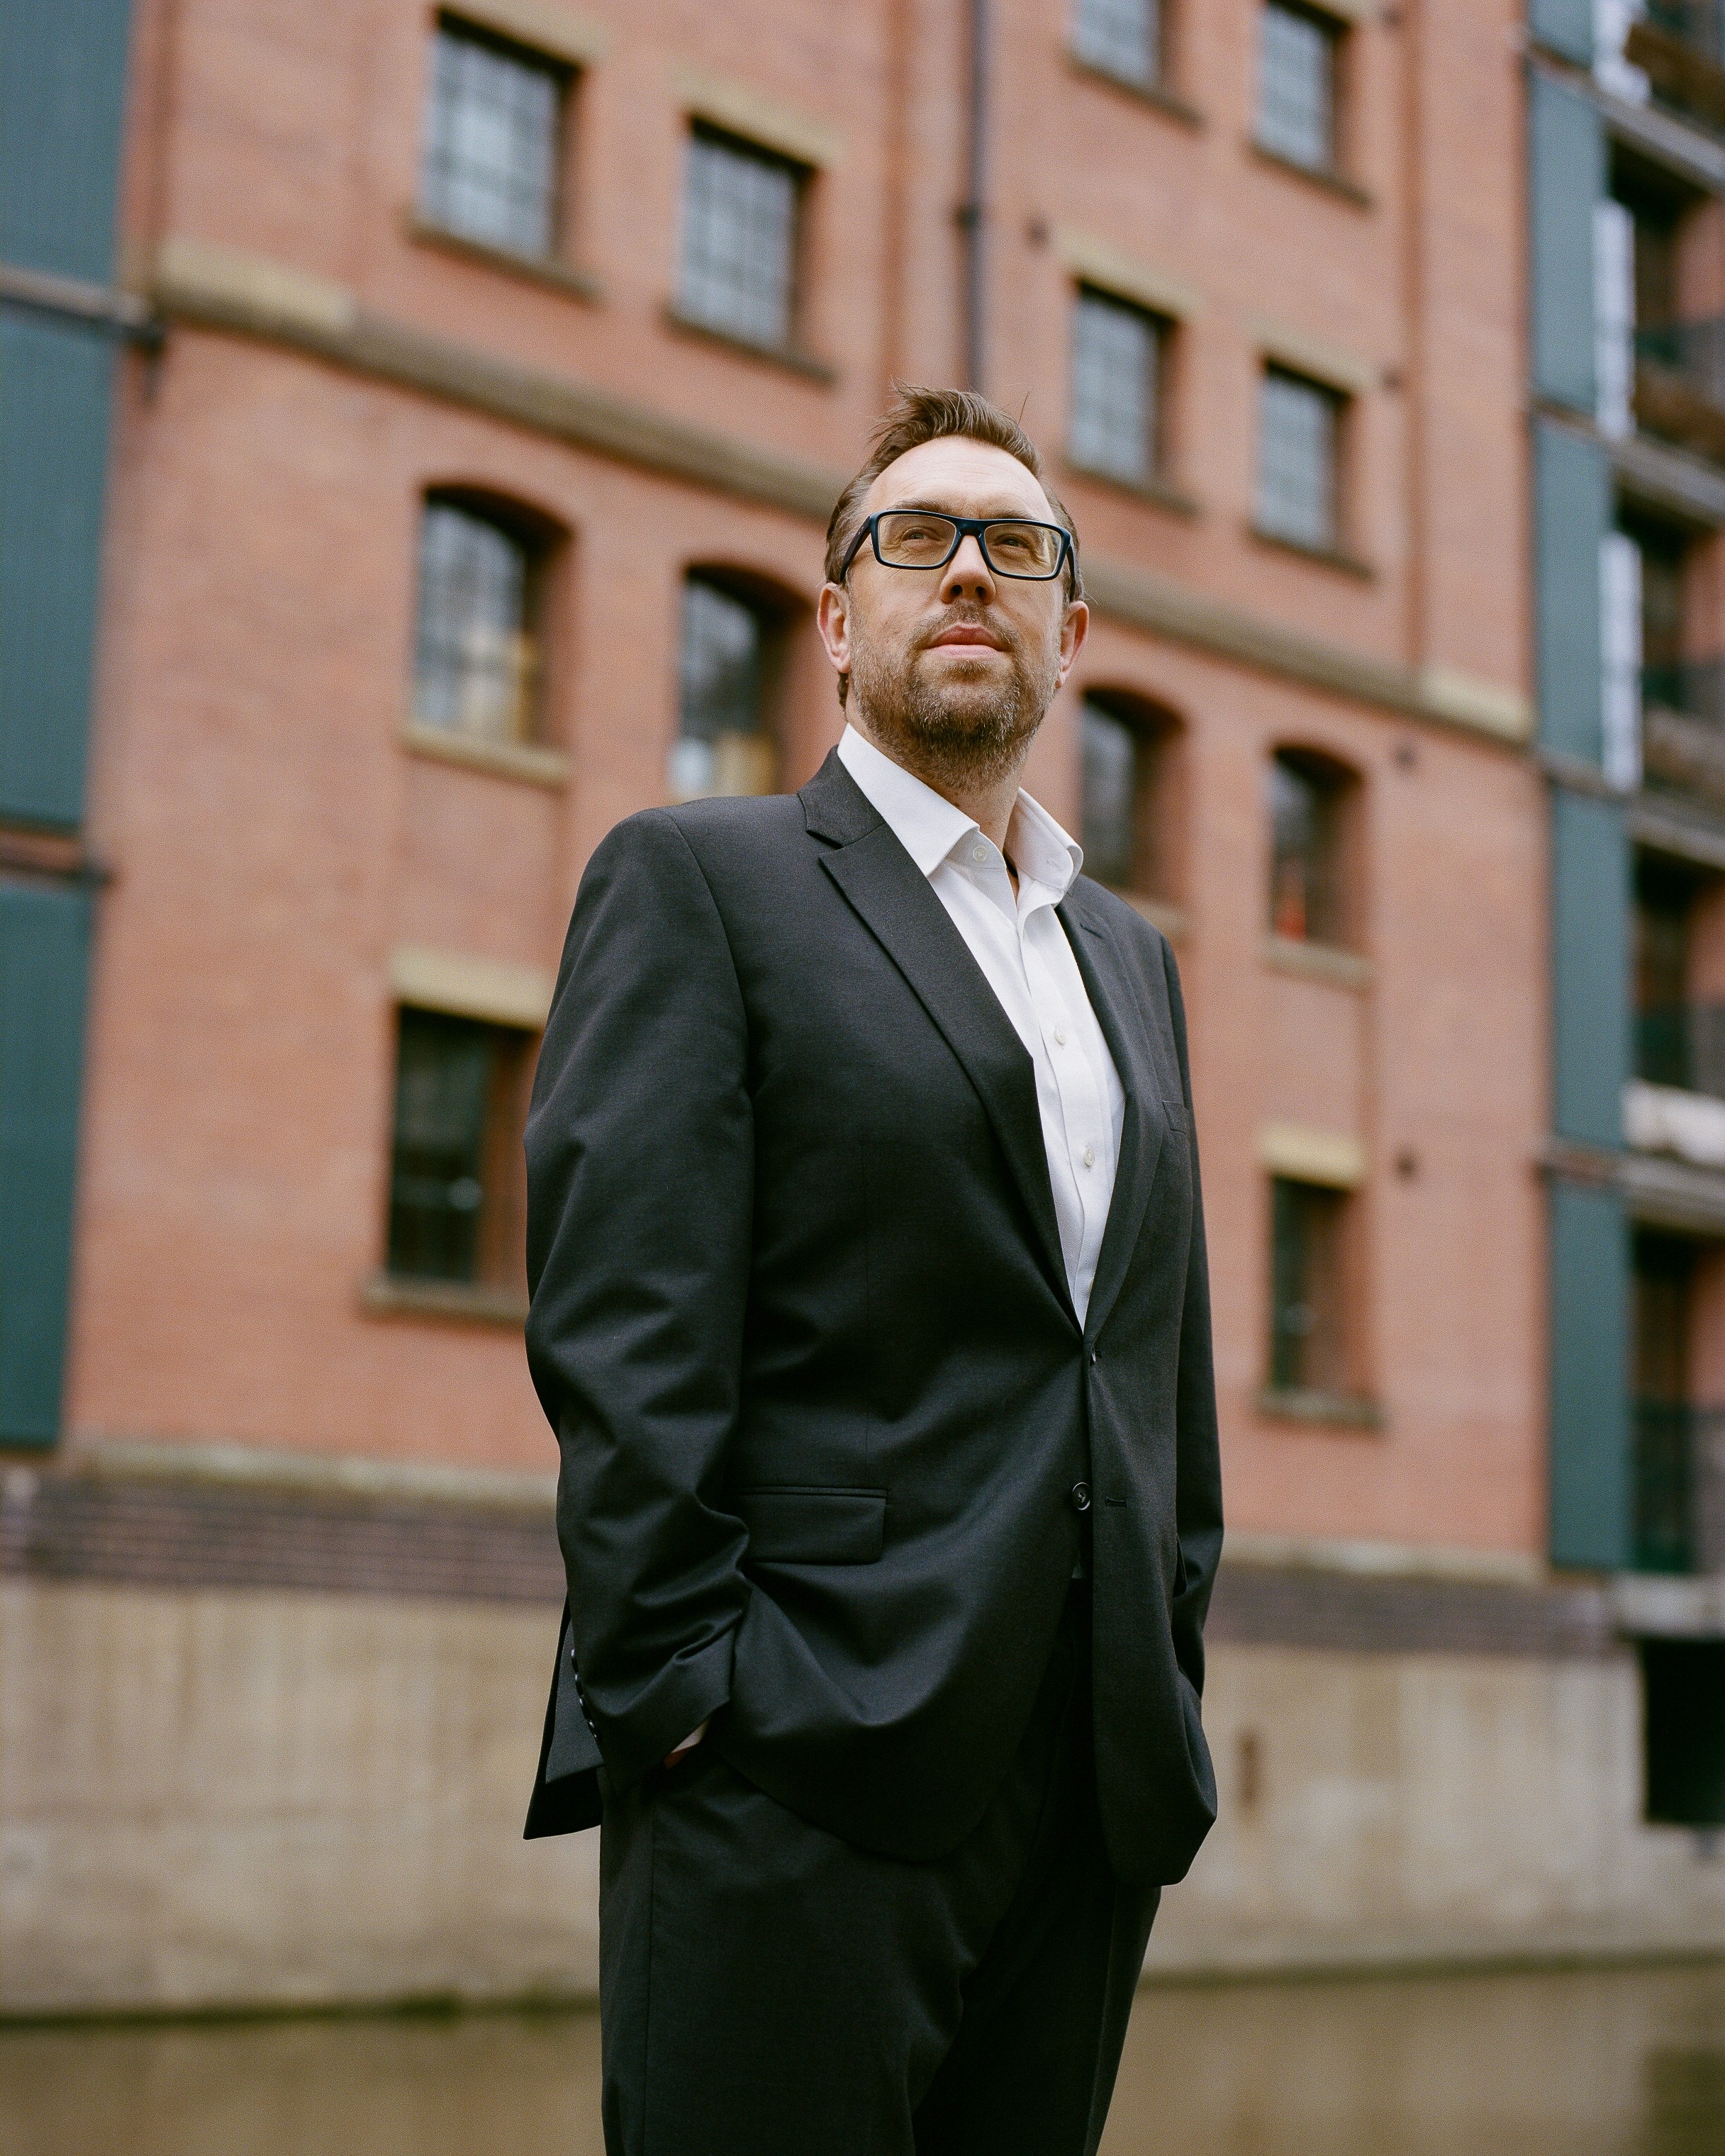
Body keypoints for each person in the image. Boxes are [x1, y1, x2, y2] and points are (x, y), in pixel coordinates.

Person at [523, 385, 1222, 2156]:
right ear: (838, 621)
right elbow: (621, 1326)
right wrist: (685, 1696)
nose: (969, 571)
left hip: (1088, 1787)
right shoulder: (701, 883)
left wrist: (1166, 1655)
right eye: (918, 538)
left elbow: (1154, 1355)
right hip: (794, 1760)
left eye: (1016, 547)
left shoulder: (1128, 959)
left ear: (1070, 633)